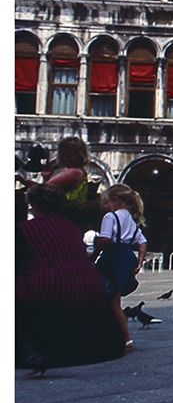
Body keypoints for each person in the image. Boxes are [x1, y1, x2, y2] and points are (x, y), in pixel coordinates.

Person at [16, 185, 128, 372]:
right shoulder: (72, 228)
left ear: (34, 206)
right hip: (90, 290)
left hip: (48, 290)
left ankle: (24, 346)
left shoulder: (25, 230)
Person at [93, 184, 147, 352]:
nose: (106, 206)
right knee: (113, 300)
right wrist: (139, 262)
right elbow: (142, 242)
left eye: (107, 202)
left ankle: (125, 339)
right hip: (126, 258)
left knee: (111, 301)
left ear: (114, 200)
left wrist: (93, 255)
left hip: (112, 259)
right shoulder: (130, 219)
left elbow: (105, 240)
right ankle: (118, 336)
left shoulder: (111, 217)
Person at [17, 136, 93, 232]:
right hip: (73, 218)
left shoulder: (74, 172)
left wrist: (22, 180)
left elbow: (42, 190)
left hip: (66, 217)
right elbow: (49, 191)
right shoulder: (81, 172)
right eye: (63, 155)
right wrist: (46, 177)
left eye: (69, 155)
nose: (65, 158)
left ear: (79, 155)